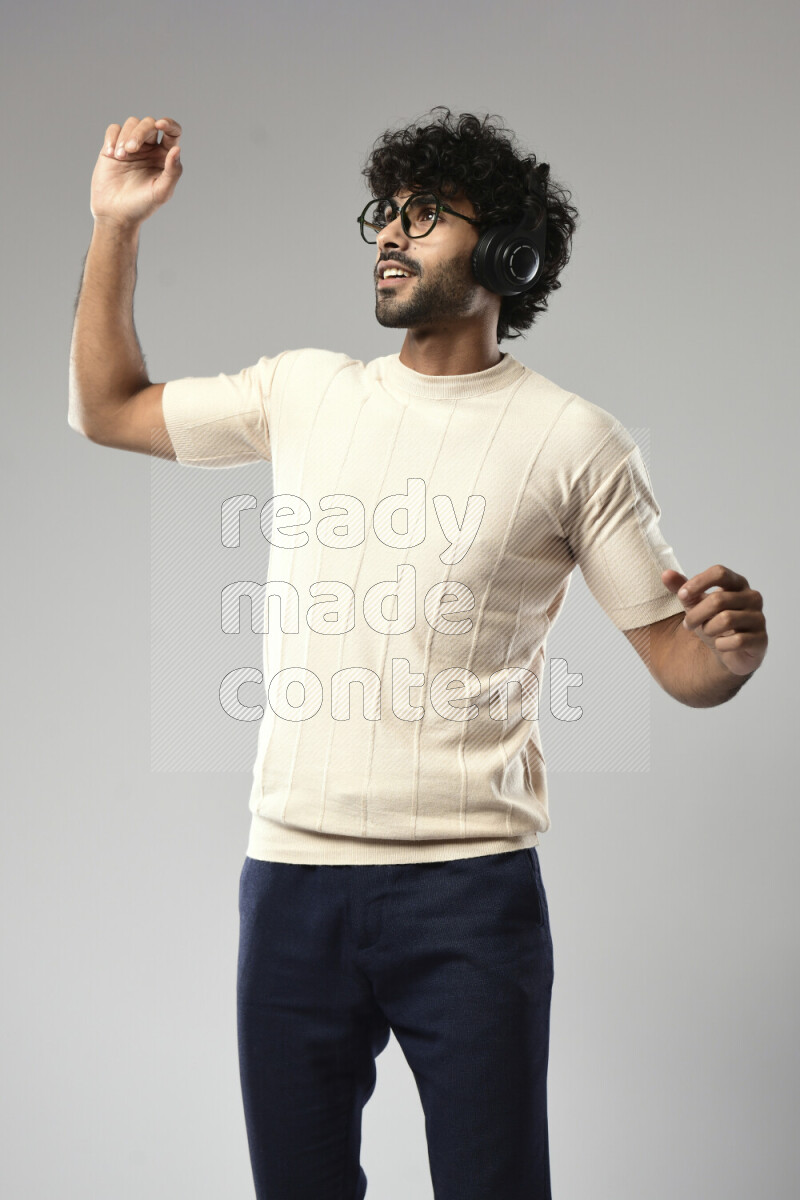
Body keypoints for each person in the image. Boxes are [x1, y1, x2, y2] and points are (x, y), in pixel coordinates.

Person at [68, 107, 768, 1200]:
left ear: (506, 257)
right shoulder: (303, 390)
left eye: (426, 217)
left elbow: (682, 665)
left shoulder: (573, 440)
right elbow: (106, 409)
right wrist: (114, 227)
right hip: (291, 886)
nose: (391, 236)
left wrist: (727, 654)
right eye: (385, 215)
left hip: (469, 898)